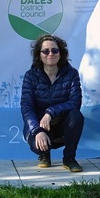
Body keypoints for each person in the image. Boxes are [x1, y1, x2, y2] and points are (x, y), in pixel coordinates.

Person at [20, 34, 84, 172]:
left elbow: (75, 102)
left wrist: (50, 112)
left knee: (76, 116)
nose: (51, 54)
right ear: (39, 55)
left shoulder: (72, 74)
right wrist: (37, 131)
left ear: (61, 54)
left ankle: (69, 158)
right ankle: (44, 154)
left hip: (60, 122)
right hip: (39, 125)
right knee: (39, 144)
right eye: (46, 51)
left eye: (55, 50)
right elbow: (27, 107)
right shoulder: (30, 76)